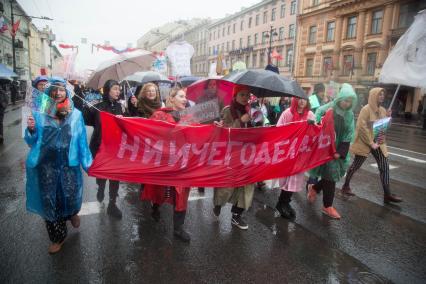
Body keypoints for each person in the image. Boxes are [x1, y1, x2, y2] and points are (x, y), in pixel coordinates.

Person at [24, 77, 92, 254]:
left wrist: (88, 164)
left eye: (61, 89)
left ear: (67, 92)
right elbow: (31, 141)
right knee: (49, 201)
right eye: (55, 90)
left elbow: (82, 141)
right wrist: (31, 129)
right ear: (48, 93)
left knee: (69, 196)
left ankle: (72, 213)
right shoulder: (39, 113)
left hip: (69, 166)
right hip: (46, 166)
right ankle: (57, 237)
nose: (58, 93)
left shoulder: (75, 114)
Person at [141, 88, 192, 242]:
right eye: (181, 96)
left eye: (186, 97)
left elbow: (200, 133)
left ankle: (178, 228)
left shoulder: (189, 116)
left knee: (181, 194)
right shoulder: (160, 115)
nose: (185, 99)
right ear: (172, 98)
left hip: (182, 163)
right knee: (159, 189)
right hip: (163, 162)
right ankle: (155, 207)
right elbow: (146, 132)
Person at [341, 88, 402, 203]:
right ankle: (346, 186)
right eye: (380, 94)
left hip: (378, 141)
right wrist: (371, 143)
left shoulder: (383, 110)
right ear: (374, 96)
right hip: (365, 142)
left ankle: (387, 194)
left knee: (384, 166)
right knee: (356, 165)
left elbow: (383, 128)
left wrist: (389, 118)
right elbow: (362, 127)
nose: (382, 96)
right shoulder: (366, 109)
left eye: (383, 94)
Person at [307, 83, 357, 219]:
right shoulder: (329, 107)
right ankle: (327, 206)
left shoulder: (350, 114)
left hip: (337, 148)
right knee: (330, 177)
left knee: (331, 175)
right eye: (345, 100)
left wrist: (340, 151)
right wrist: (316, 124)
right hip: (325, 146)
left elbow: (349, 133)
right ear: (340, 98)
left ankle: (315, 189)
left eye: (350, 102)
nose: (347, 104)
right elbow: (317, 115)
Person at [213, 85, 255, 230]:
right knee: (226, 186)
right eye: (242, 95)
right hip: (230, 155)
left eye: (247, 95)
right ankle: (218, 204)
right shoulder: (227, 110)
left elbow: (260, 130)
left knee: (247, 186)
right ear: (235, 96)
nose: (245, 98)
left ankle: (236, 216)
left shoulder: (253, 111)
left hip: (248, 155)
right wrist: (241, 121)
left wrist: (259, 121)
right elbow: (224, 133)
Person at [85, 80, 125, 219]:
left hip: (115, 147)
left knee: (115, 177)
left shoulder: (121, 106)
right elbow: (87, 120)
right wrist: (87, 107)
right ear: (108, 90)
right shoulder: (98, 107)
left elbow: (127, 125)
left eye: (119, 89)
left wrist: (125, 115)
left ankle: (112, 205)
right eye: (115, 89)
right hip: (100, 147)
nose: (118, 91)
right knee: (102, 175)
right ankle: (100, 188)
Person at [275, 98, 315, 219]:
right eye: (299, 99)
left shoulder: (310, 114)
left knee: (295, 180)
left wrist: (312, 127)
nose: (302, 102)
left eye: (305, 100)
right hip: (288, 152)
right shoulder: (288, 113)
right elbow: (278, 129)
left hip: (301, 153)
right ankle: (282, 203)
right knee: (287, 179)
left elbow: (314, 132)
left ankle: (285, 202)